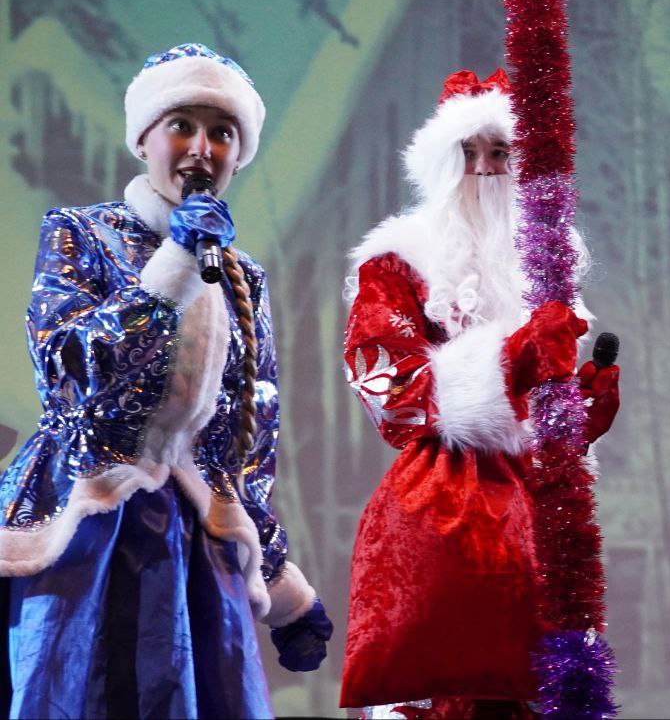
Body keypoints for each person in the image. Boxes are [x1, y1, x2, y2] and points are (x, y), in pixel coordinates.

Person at [0, 43, 331, 718]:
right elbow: (66, 373)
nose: (202, 148)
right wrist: (175, 263)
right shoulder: (80, 233)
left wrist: (279, 580)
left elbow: (248, 443)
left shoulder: (243, 278)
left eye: (223, 133)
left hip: (196, 544)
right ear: (144, 138)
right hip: (86, 528)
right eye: (182, 125)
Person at [340, 69, 620, 718]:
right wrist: (510, 358)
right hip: (444, 518)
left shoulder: (543, 277)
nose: (486, 169)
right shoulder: (396, 264)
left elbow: (543, 423)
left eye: (501, 152)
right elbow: (390, 389)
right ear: (442, 163)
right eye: (469, 153)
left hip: (538, 525)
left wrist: (582, 409)